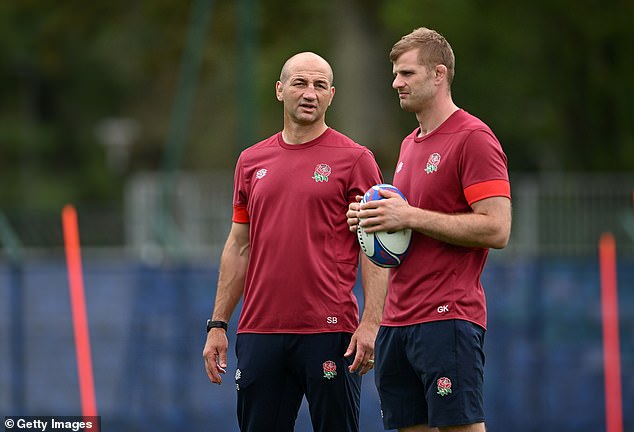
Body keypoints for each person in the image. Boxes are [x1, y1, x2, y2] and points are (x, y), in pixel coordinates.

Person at [202, 51, 386, 432]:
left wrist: (371, 322)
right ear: (280, 89)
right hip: (259, 331)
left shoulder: (356, 159)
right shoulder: (251, 161)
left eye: (320, 85)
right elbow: (239, 245)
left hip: (330, 330)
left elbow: (375, 247)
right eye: (300, 83)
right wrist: (218, 324)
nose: (310, 93)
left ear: (331, 95)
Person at [347, 28, 512, 432]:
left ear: (439, 74)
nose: (395, 83)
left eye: (406, 74)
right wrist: (372, 220)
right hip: (397, 322)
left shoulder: (473, 137)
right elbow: (402, 227)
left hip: (447, 317)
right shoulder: (408, 145)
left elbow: (498, 228)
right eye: (395, 74)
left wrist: (410, 216)